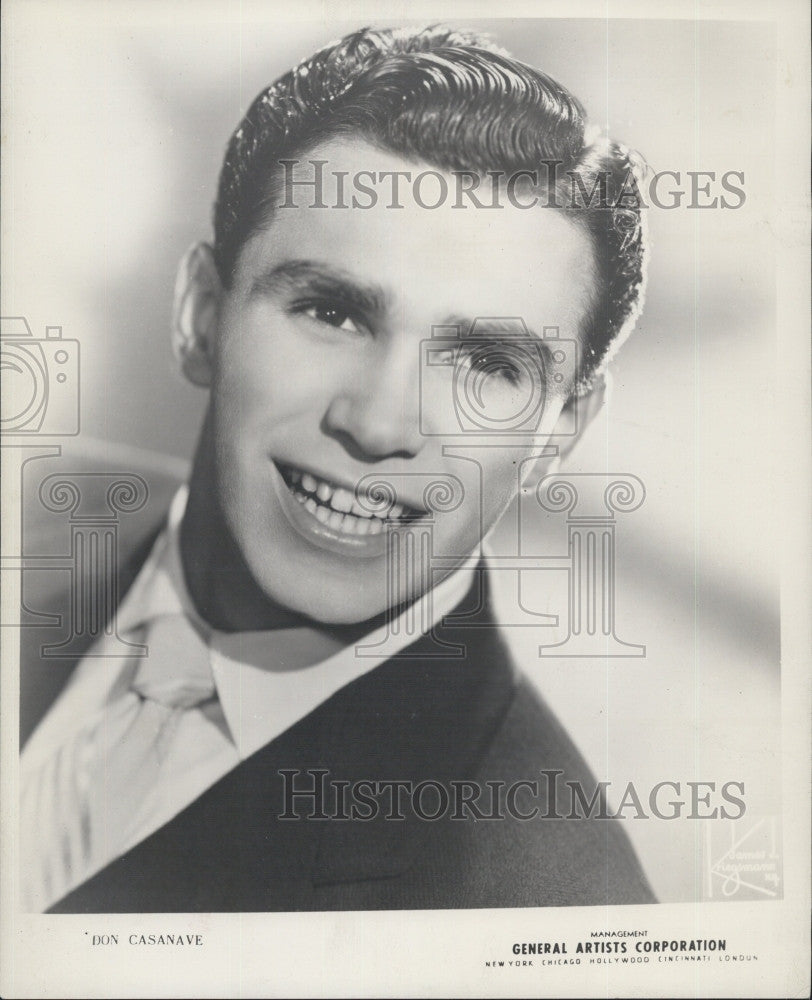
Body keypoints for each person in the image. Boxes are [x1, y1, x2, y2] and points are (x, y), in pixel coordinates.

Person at [19, 24, 655, 912]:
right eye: (333, 312)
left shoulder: (538, 899)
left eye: (484, 365)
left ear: (560, 433)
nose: (378, 423)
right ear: (202, 314)